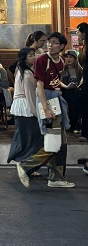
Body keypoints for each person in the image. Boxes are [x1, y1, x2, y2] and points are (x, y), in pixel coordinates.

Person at [17, 32, 74, 189]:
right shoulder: (42, 60)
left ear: (62, 46)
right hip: (46, 100)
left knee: (61, 142)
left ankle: (56, 177)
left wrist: (65, 86)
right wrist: (45, 107)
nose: (50, 45)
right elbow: (40, 85)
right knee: (54, 141)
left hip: (56, 99)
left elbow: (56, 81)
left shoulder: (61, 61)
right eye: (49, 42)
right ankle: (26, 165)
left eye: (54, 42)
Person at [7, 47, 43, 183]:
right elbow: (30, 95)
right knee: (32, 138)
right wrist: (36, 113)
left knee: (25, 137)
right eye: (31, 55)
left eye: (34, 55)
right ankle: (25, 163)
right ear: (24, 58)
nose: (34, 57)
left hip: (22, 107)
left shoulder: (22, 70)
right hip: (26, 108)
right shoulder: (27, 74)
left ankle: (25, 163)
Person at [60, 50, 82, 133]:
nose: (68, 59)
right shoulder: (62, 70)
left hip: (76, 92)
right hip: (64, 92)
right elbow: (58, 81)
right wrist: (66, 86)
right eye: (67, 57)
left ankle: (75, 124)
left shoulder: (79, 70)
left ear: (75, 59)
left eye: (71, 57)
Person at [77, 23, 88, 144]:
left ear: (84, 32)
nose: (77, 34)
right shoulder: (84, 46)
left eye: (78, 32)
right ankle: (85, 133)